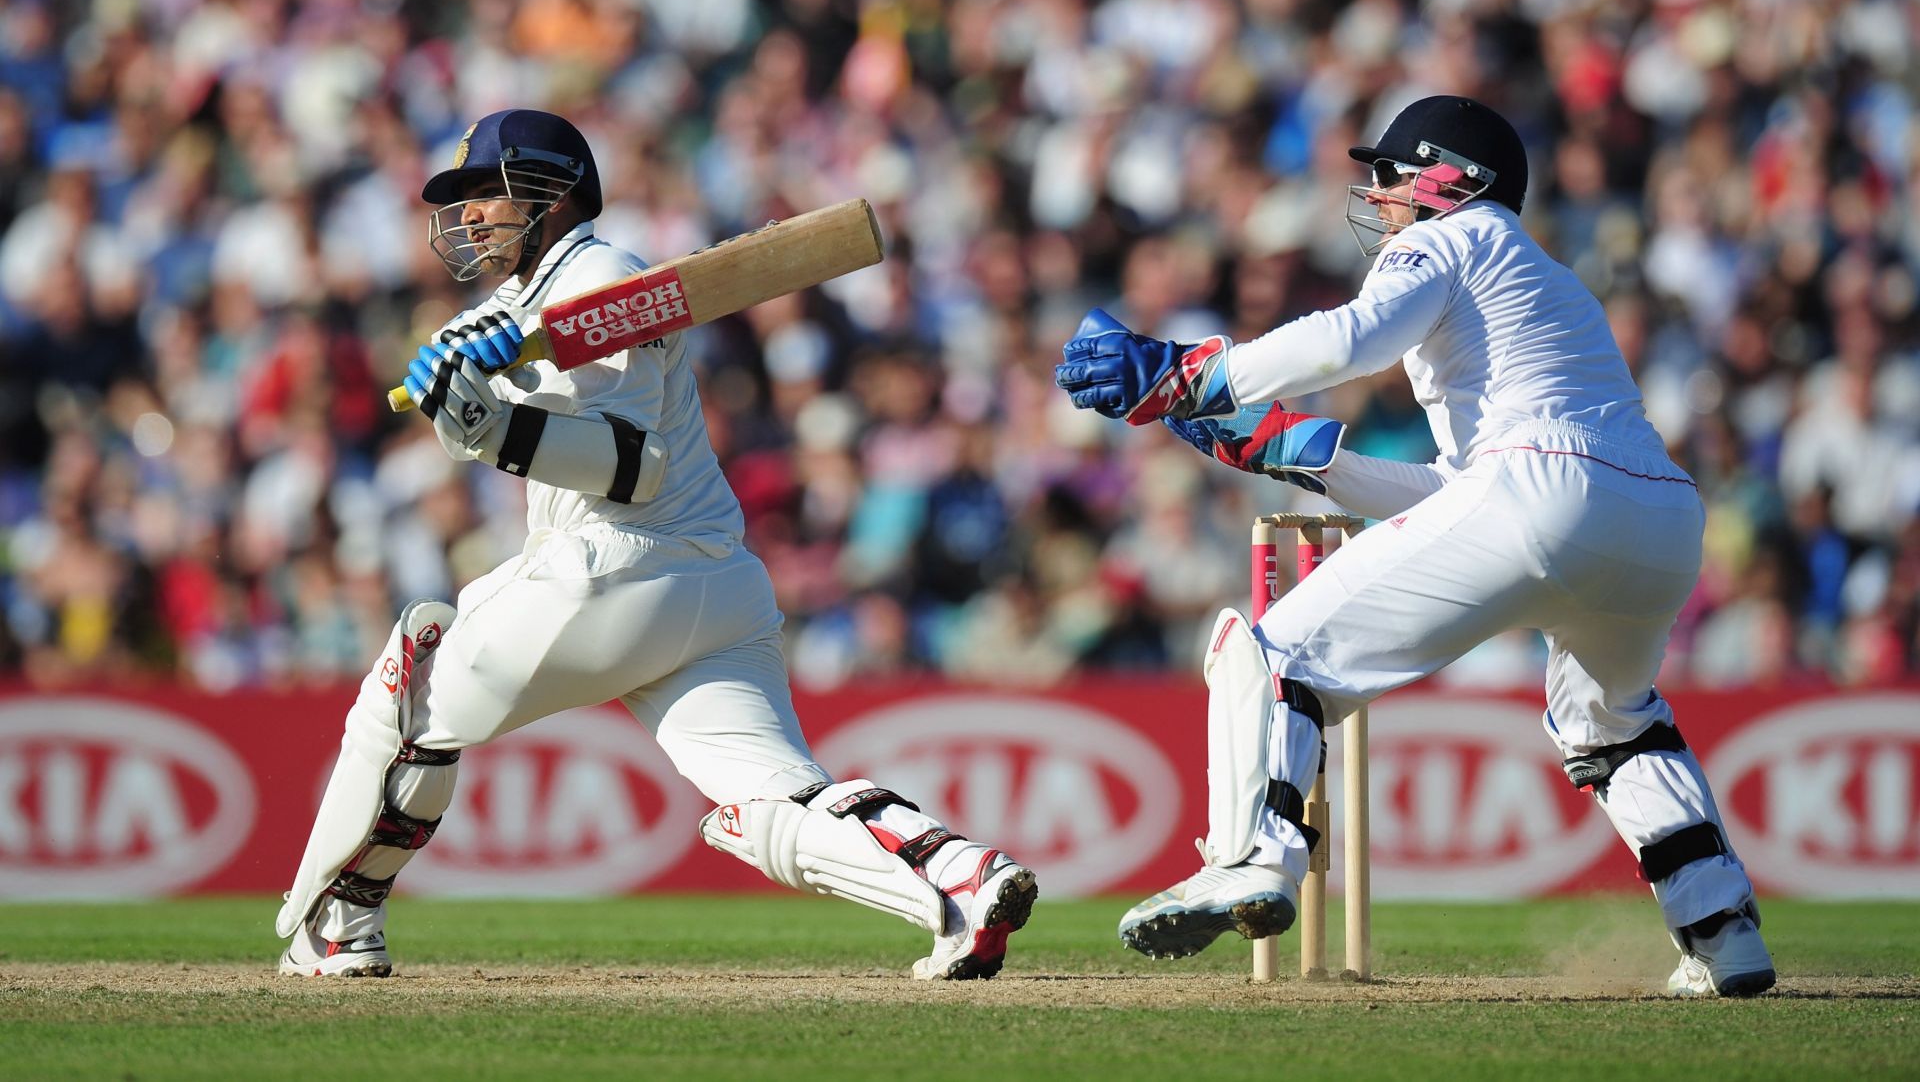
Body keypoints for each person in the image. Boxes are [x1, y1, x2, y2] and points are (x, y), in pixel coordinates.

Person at [276, 109, 1036, 980]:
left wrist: (491, 427)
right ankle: (960, 880)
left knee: (411, 690)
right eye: (465, 197)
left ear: (553, 194)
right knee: (769, 800)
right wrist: (466, 389)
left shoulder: (601, 278)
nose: (474, 212)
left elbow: (629, 467)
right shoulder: (515, 304)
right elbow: (481, 411)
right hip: (712, 588)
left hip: (615, 564)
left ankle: (337, 920)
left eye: (490, 190)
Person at [1053, 95, 1774, 998]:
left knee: (1273, 655)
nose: (1378, 192)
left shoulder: (1452, 238)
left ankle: (1249, 859)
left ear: (1452, 180)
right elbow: (1473, 492)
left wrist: (1188, 375)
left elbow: (1354, 342)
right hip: (1659, 519)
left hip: (1541, 493)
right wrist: (1297, 453)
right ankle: (1723, 933)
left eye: (1392, 172)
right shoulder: (1548, 282)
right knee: (1615, 724)